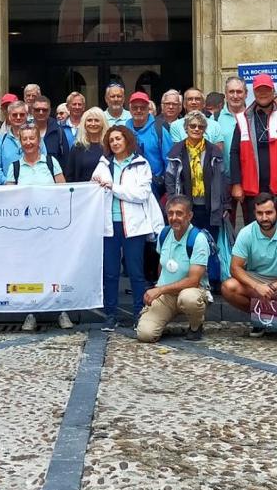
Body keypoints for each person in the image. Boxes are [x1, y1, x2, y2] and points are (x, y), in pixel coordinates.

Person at [92, 126, 164, 330]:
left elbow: (141, 194)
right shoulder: (103, 164)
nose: (115, 143)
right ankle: (110, 315)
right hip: (108, 225)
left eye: (119, 139)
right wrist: (102, 186)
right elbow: (95, 188)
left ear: (127, 140)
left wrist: (112, 187)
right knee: (110, 273)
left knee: (136, 272)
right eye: (111, 140)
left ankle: (139, 314)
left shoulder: (141, 164)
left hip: (134, 226)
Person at [223, 193, 277, 339]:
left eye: (269, 212)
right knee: (228, 287)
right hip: (256, 281)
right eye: (260, 213)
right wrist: (256, 286)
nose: (264, 218)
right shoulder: (246, 232)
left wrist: (272, 287)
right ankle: (259, 317)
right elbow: (235, 268)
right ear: (254, 213)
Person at [163, 110, 228, 285]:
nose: (196, 129)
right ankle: (189, 280)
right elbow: (169, 178)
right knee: (188, 243)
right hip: (186, 208)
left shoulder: (214, 150)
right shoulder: (177, 150)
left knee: (210, 244)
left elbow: (222, 179)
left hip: (210, 207)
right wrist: (172, 201)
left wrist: (225, 206)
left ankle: (212, 281)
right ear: (186, 128)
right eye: (192, 126)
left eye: (200, 126)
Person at [136, 196, 213, 343]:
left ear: (189, 216)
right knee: (145, 335)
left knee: (189, 298)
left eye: (179, 213)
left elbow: (193, 280)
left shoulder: (198, 239)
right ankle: (159, 318)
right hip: (167, 295)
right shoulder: (164, 235)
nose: (174, 217)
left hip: (192, 290)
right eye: (170, 213)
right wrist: (160, 287)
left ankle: (196, 326)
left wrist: (159, 290)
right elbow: (161, 265)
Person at [229, 74, 277, 221]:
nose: (263, 93)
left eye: (267, 89)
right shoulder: (243, 118)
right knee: (253, 230)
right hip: (252, 187)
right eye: (259, 90)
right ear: (253, 92)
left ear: (273, 91)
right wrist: (236, 184)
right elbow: (234, 153)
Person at [125, 92, 170, 189]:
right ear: (130, 109)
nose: (139, 110)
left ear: (148, 109)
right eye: (135, 107)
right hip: (130, 185)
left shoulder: (159, 129)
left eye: (142, 107)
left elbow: (169, 161)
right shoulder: (124, 130)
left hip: (155, 185)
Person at [0, 100, 38, 183]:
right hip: (7, 190)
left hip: (32, 187)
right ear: (9, 117)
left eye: (22, 115)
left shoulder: (36, 137)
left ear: (27, 116)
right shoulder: (1, 140)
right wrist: (8, 184)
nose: (18, 117)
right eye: (14, 115)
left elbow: (43, 162)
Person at [63, 107, 107, 183]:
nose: (93, 124)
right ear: (84, 124)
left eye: (97, 120)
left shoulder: (109, 146)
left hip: (106, 192)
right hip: (83, 193)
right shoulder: (77, 147)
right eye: (89, 120)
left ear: (103, 123)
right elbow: (70, 176)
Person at [32, 96, 69, 169]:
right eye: (37, 110)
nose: (41, 112)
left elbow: (65, 161)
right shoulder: (24, 130)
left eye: (44, 110)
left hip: (53, 178)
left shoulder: (59, 131)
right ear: (32, 111)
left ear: (49, 111)